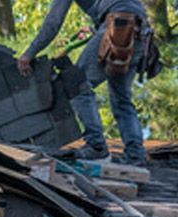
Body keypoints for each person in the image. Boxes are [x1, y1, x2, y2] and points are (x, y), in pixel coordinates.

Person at [18, 0, 148, 166]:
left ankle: (96, 146)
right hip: (139, 31)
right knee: (121, 97)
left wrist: (29, 54)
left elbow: (53, 22)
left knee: (77, 83)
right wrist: (97, 27)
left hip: (117, 24)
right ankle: (135, 154)